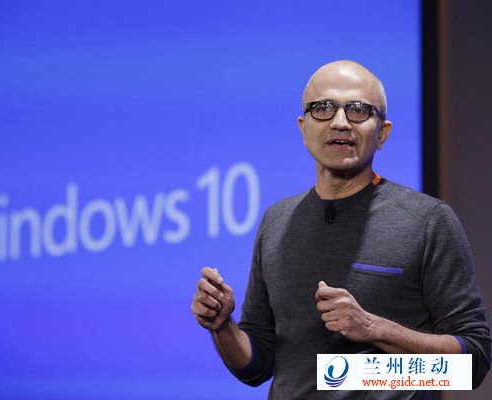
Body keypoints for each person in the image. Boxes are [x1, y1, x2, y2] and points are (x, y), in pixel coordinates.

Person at [190, 60, 491, 399]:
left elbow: (472, 365)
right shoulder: (276, 221)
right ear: (303, 128)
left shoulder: (428, 220)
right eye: (323, 108)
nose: (340, 122)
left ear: (382, 133)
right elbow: (258, 366)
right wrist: (223, 327)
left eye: (358, 110)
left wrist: (373, 329)